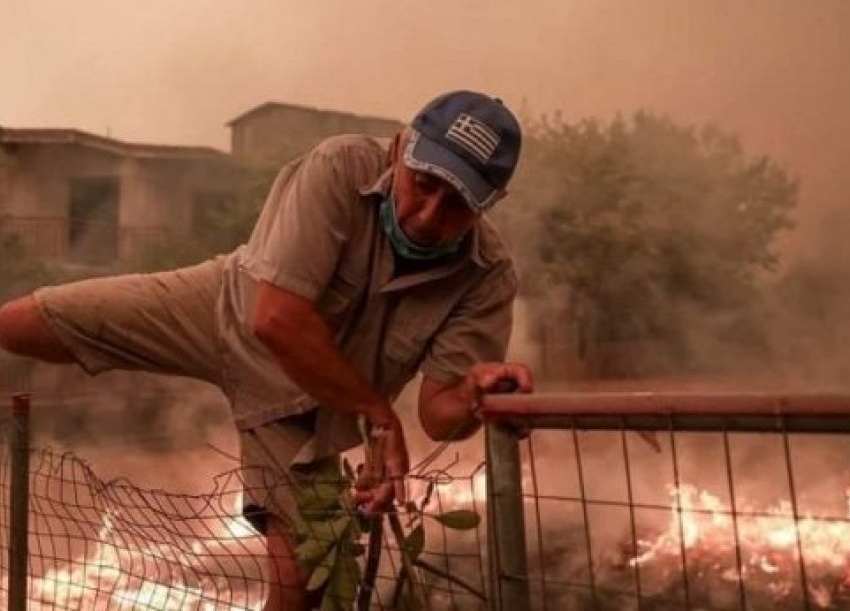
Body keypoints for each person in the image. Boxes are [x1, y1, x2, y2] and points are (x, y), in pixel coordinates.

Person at [0, 89, 534, 609]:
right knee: (30, 321)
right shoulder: (338, 167)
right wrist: (377, 415)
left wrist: (475, 394)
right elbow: (276, 317)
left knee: (302, 577)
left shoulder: (486, 278)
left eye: (456, 205)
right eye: (423, 185)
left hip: (309, 405)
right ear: (399, 150)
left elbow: (440, 415)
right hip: (225, 307)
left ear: (488, 206)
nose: (426, 215)